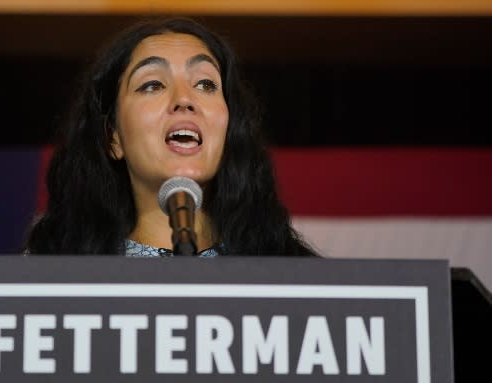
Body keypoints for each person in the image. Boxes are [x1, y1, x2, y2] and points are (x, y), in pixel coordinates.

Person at [25, 17, 316, 257]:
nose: (184, 99)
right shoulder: (49, 276)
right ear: (112, 137)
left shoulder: (297, 276)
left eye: (205, 84)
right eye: (152, 85)